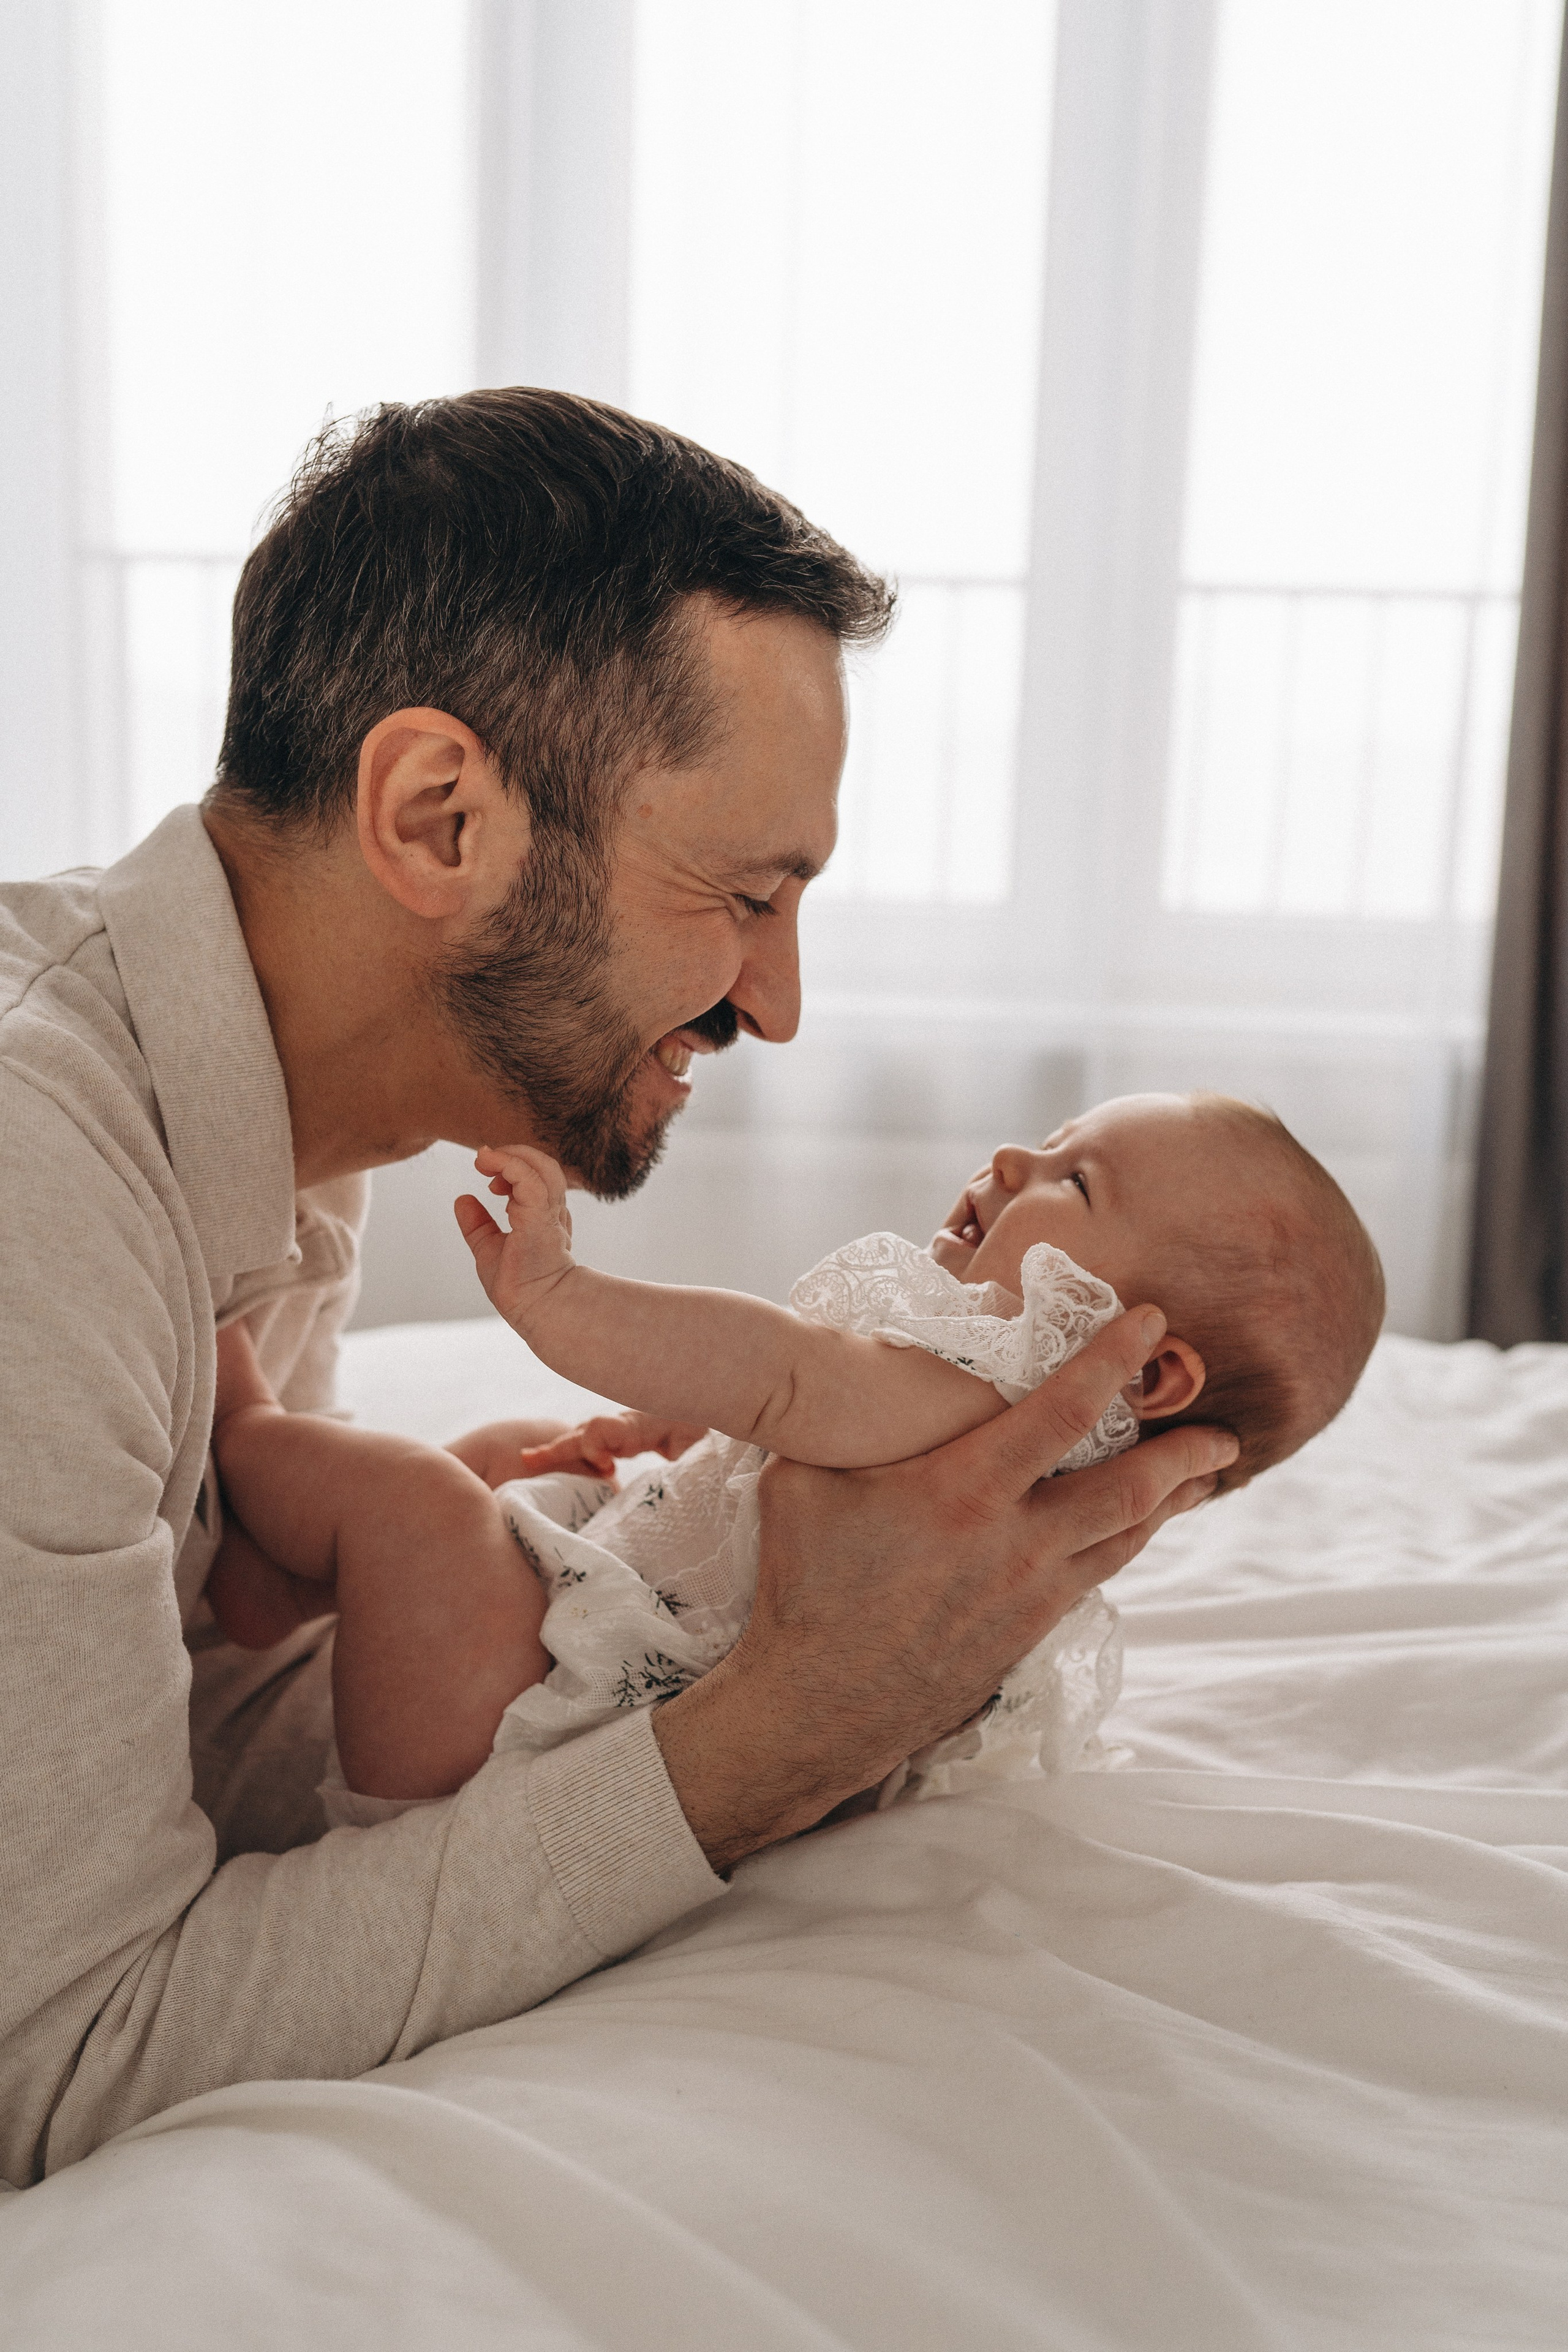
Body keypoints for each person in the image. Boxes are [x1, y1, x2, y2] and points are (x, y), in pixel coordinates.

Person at [0, 388, 1235, 2189]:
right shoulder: (44, 1184)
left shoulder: (283, 1109)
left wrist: (531, 1574)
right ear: (437, 819)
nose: (781, 1003)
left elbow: (178, 1703)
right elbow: (64, 2066)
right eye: (745, 892)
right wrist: (783, 1728)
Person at [204, 1091, 1382, 1814]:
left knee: (413, 1502)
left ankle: (249, 1434)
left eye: (1077, 1180)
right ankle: (282, 1582)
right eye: (1053, 1138)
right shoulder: (1006, 1491)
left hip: (507, 1733)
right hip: (577, 1674)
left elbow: (780, 1372)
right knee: (524, 1455)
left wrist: (564, 1298)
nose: (1017, 1160)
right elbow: (780, 1432)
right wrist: (691, 1439)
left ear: (1146, 1371)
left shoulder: (965, 1398)